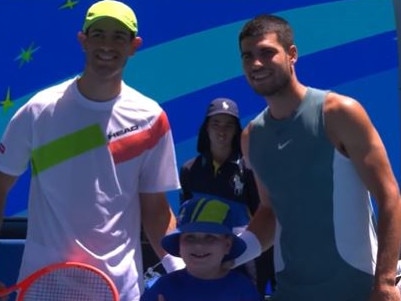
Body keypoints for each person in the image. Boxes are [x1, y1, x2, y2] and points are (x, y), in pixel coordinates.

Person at [0, 1, 185, 300]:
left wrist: (179, 269)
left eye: (118, 36)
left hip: (121, 290)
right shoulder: (38, 110)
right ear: (82, 40)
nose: (107, 45)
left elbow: (155, 209)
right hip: (42, 289)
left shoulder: (151, 118)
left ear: (134, 46)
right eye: (98, 34)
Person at [234, 14, 401, 300]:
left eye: (267, 52)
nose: (256, 64)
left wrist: (385, 282)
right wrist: (228, 254)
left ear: (292, 54)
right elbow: (269, 213)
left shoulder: (339, 113)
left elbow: (389, 197)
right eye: (248, 56)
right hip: (290, 293)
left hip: (357, 292)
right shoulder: (251, 137)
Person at [179, 97, 276, 294]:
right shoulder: (190, 169)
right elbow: (186, 218)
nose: (221, 131)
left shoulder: (249, 169)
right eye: (215, 124)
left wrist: (240, 254)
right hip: (205, 254)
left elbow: (263, 215)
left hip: (242, 256)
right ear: (206, 128)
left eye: (228, 125)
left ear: (236, 130)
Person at [140, 196, 263, 301]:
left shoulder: (241, 288)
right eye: (190, 237)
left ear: (227, 245)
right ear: (179, 245)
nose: (199, 245)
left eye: (210, 237)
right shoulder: (165, 286)